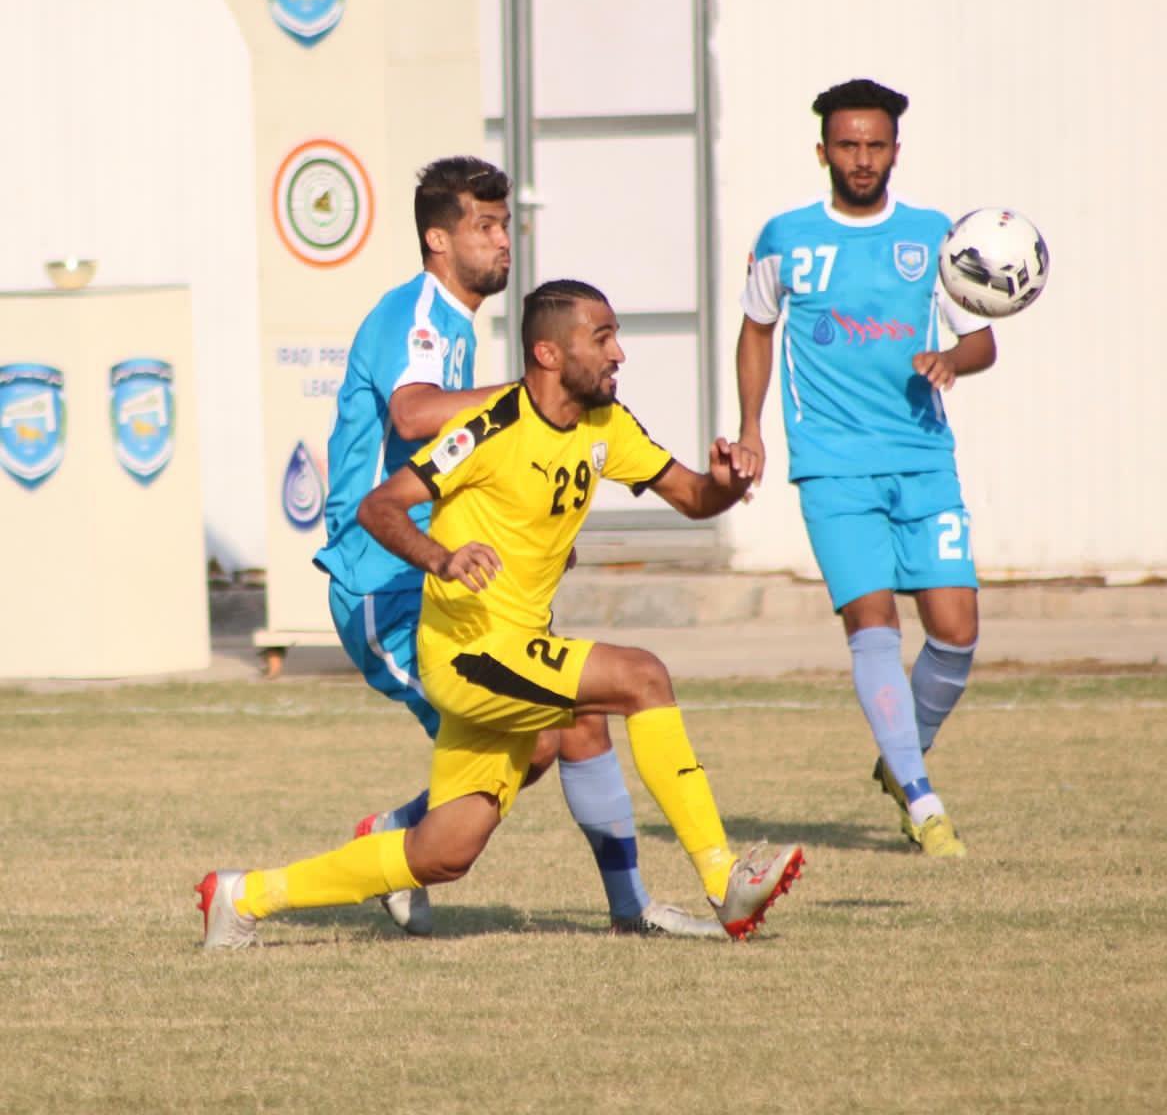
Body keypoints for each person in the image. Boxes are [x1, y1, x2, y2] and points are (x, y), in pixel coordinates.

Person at [197, 278, 804, 948]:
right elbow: (378, 507)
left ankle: (242, 896)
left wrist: (727, 484)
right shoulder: (490, 429)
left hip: (514, 650)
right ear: (548, 353)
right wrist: (440, 558)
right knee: (642, 677)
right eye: (602, 338)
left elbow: (691, 497)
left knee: (441, 853)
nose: (619, 354)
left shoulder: (606, 424)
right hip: (468, 653)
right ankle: (722, 880)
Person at [308, 155, 717, 938]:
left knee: (568, 724)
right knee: (538, 744)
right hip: (383, 578)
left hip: (449, 581)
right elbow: (415, 414)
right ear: (438, 239)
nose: (503, 241)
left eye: (504, 226)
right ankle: (385, 845)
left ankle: (629, 907)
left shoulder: (455, 325)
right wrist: (528, 402)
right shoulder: (418, 316)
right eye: (485, 226)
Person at [735, 78, 997, 857]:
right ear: (823, 150)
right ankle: (922, 800)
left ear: (895, 151)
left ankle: (899, 759)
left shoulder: (934, 236)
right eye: (848, 145)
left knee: (956, 633)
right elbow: (756, 330)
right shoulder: (786, 238)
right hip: (833, 467)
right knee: (873, 622)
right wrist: (750, 429)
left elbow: (982, 340)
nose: (862, 158)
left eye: (875, 145)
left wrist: (950, 360)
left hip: (922, 459)